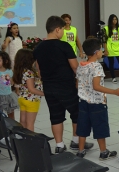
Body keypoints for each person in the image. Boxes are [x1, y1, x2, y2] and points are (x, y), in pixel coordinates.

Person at [34, 16, 93, 153]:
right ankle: (76, 141)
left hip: (49, 87)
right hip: (66, 86)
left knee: (55, 116)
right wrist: (82, 82)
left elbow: (39, 69)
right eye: (62, 30)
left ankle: (59, 145)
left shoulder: (39, 47)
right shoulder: (64, 45)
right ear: (57, 29)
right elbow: (74, 67)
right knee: (76, 113)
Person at [76, 38, 119, 159]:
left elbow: (77, 84)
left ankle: (81, 151)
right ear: (96, 52)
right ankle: (103, 151)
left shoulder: (81, 65)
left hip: (82, 102)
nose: (103, 51)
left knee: (82, 126)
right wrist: (114, 91)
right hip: (97, 103)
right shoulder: (97, 66)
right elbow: (96, 86)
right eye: (102, 49)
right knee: (100, 126)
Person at [13, 49, 44, 131]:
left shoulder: (19, 71)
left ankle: (22, 138)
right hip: (32, 100)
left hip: (22, 99)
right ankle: (30, 140)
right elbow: (32, 89)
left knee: (23, 121)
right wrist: (45, 93)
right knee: (30, 123)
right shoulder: (29, 72)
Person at [104, 14, 119, 82]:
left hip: (118, 48)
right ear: (110, 20)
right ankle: (113, 77)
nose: (115, 21)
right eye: (113, 19)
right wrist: (106, 50)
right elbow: (104, 41)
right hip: (110, 48)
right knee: (111, 63)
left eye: (116, 19)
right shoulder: (106, 29)